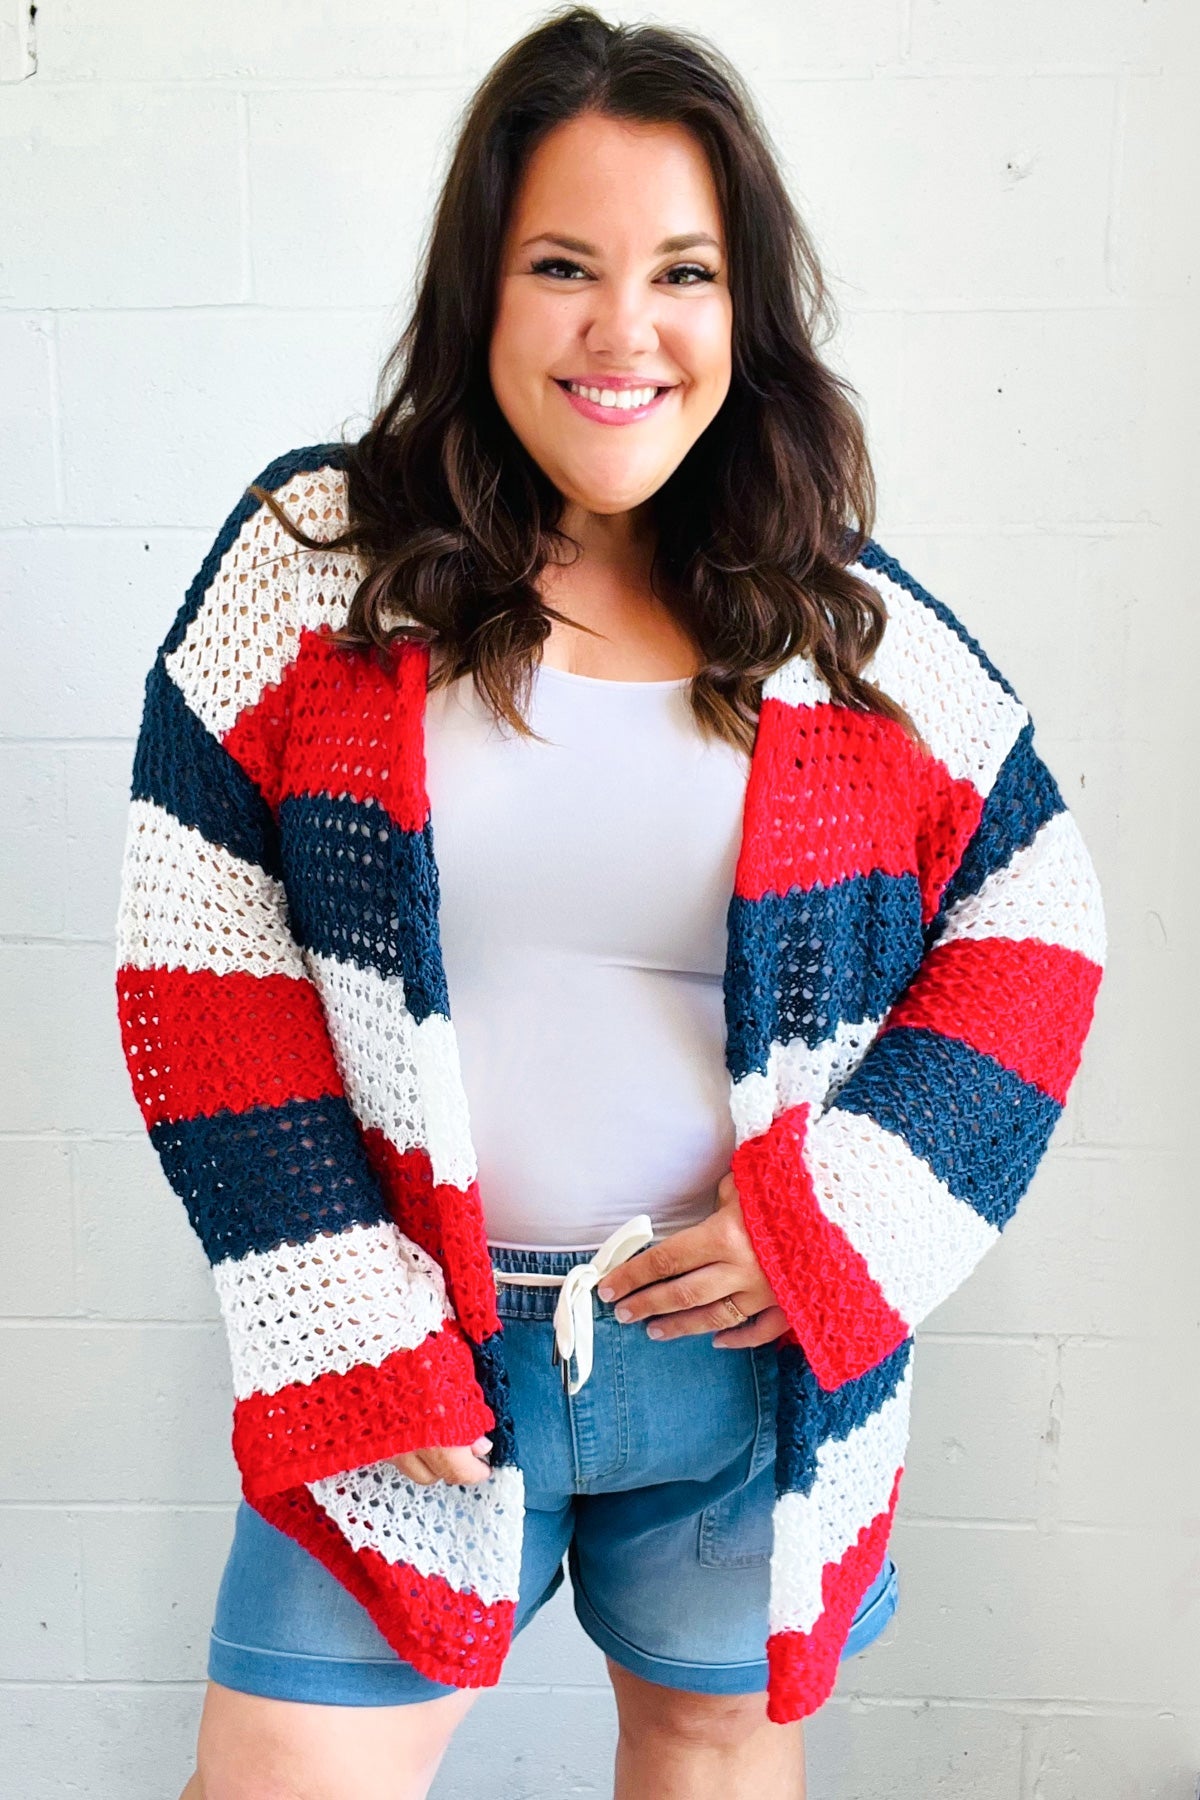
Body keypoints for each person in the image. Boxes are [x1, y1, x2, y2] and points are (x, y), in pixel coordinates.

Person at [113, 8, 1105, 1799]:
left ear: (746, 310)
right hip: (404, 1359)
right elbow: (196, 941)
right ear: (480, 293)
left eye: (684, 272)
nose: (623, 331)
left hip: (744, 1380)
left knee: (712, 1760)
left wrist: (845, 1227)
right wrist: (345, 1302)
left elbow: (1040, 922)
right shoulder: (323, 562)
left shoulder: (833, 626)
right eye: (563, 265)